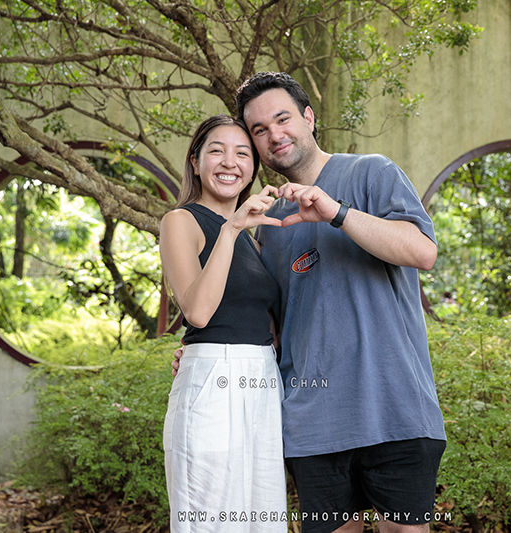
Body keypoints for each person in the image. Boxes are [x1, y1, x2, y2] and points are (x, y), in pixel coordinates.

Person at [174, 72, 447, 533]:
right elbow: (271, 318)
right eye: (258, 130)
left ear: (309, 118)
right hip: (310, 422)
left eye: (282, 119)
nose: (273, 135)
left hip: (395, 412)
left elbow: (423, 252)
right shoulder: (270, 222)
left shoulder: (371, 172)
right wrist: (208, 354)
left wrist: (336, 212)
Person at [160, 114, 287, 533]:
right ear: (195, 161)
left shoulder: (252, 237)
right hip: (214, 382)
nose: (229, 162)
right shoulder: (181, 221)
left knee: (262, 520)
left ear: (252, 168)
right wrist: (231, 229)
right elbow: (197, 312)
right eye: (216, 150)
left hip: (261, 381)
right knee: (211, 519)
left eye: (242, 153)